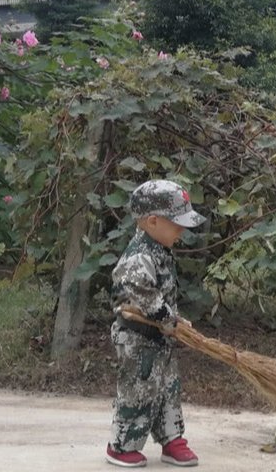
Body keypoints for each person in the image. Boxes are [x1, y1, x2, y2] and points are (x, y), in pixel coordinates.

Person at [105, 179, 206, 468]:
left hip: (161, 337)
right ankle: (122, 446)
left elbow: (163, 295)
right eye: (177, 224)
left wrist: (176, 321)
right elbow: (143, 295)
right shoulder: (139, 257)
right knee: (139, 390)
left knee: (168, 388)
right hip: (137, 339)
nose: (183, 230)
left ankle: (172, 438)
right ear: (152, 221)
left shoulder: (161, 249)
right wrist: (167, 319)